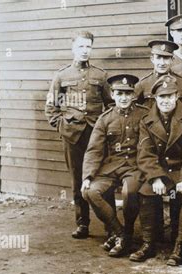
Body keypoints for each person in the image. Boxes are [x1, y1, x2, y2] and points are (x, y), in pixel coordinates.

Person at [45, 31, 112, 239]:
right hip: (73, 136)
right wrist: (62, 126)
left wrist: (107, 129)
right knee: (77, 179)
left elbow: (110, 105)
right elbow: (51, 107)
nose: (85, 51)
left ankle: (110, 225)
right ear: (73, 48)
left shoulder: (100, 75)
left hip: (97, 135)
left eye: (88, 47)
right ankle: (82, 223)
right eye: (81, 47)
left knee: (103, 177)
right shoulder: (62, 75)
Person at [131, 75, 182, 263]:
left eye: (170, 96)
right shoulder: (147, 120)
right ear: (155, 98)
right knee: (146, 191)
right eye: (161, 97)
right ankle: (149, 243)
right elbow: (145, 152)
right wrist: (156, 177)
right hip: (160, 170)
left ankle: (180, 245)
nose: (166, 101)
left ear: (177, 97)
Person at [81, 74, 146, 257]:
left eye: (127, 93)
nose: (124, 98)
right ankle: (120, 234)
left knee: (129, 192)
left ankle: (126, 233)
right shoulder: (105, 119)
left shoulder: (144, 115)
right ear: (112, 94)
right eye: (119, 93)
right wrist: (87, 176)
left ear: (133, 95)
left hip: (135, 166)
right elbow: (94, 149)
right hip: (111, 167)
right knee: (89, 191)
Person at [135, 39, 182, 112]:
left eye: (166, 58)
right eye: (158, 58)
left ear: (172, 59)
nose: (162, 63)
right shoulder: (143, 84)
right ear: (152, 59)